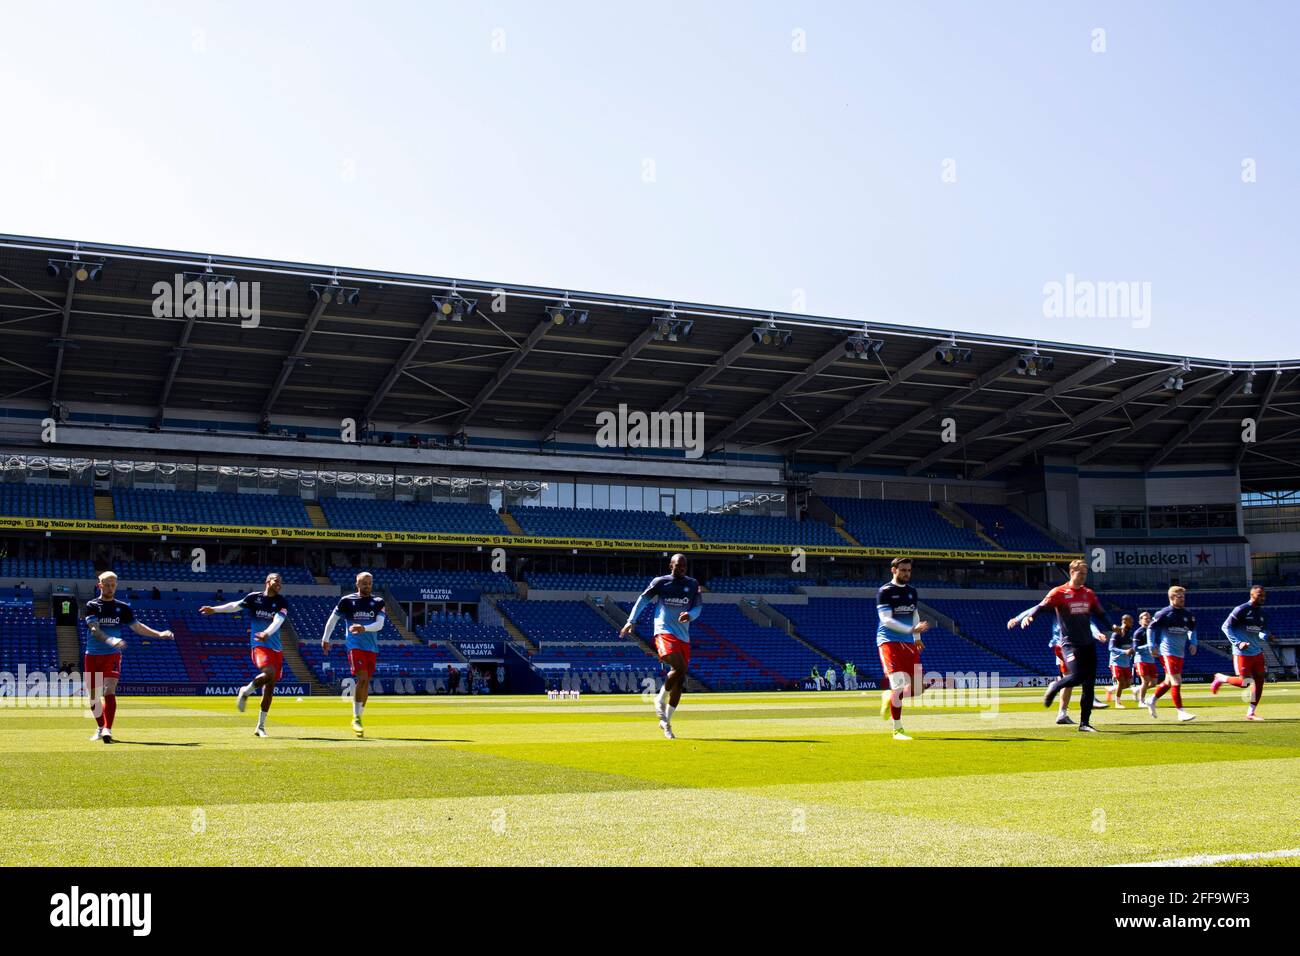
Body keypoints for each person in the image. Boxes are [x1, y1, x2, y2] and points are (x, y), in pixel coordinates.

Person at [1009, 559, 1113, 732]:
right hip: (1063, 644)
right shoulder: (1060, 595)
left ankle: (1072, 716)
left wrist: (1097, 632)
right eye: (1081, 574)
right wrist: (1020, 618)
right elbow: (1038, 607)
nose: (1083, 577)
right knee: (1074, 676)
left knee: (1079, 680)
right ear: (1072, 573)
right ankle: (1060, 699)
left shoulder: (1086, 595)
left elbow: (1087, 619)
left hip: (1084, 642)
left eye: (1085, 574)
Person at [83, 571, 175, 743]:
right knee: (94, 697)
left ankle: (107, 730)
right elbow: (94, 630)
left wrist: (160, 634)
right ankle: (100, 726)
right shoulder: (92, 605)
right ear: (99, 585)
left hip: (112, 655)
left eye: (113, 585)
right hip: (93, 655)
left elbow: (138, 627)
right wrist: (111, 639)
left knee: (109, 690)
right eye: (106, 584)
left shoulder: (123, 607)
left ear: (116, 585)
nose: (110, 588)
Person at [621, 553, 701, 739]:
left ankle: (666, 722)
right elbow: (643, 600)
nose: (680, 568)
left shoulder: (693, 584)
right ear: (670, 566)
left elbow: (698, 607)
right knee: (679, 667)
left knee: (679, 681)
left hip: (683, 636)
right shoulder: (660, 582)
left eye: (683, 566)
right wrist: (631, 620)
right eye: (677, 565)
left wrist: (690, 615)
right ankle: (659, 698)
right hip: (663, 631)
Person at [200, 571, 289, 737]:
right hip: (259, 645)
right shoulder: (254, 598)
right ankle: (245, 691)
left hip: (276, 649)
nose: (279, 584)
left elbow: (278, 620)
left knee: (269, 689)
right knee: (269, 673)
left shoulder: (281, 602)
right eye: (276, 580)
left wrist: (267, 632)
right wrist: (215, 609)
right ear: (267, 581)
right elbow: (234, 606)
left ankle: (260, 727)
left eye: (280, 582)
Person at [321, 571, 386, 737]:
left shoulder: (378, 602)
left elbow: (380, 625)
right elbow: (333, 619)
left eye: (370, 583)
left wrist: (364, 628)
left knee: (365, 682)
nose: (367, 585)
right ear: (357, 583)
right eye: (364, 583)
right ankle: (356, 718)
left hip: (371, 648)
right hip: (354, 646)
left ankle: (359, 717)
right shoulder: (347, 601)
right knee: (362, 678)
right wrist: (325, 638)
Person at [876, 556, 931, 741]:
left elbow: (914, 613)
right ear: (894, 570)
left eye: (909, 570)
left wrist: (916, 637)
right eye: (903, 570)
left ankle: (889, 697)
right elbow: (886, 620)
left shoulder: (912, 591)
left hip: (908, 643)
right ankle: (897, 729)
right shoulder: (885, 591)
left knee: (918, 689)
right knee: (898, 685)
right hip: (888, 642)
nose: (907, 573)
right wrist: (910, 630)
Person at [1211, 585, 1272, 720]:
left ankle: (1251, 712)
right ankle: (1221, 678)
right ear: (1252, 595)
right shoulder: (1241, 610)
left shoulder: (1262, 614)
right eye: (1259, 595)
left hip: (1257, 652)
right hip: (1242, 653)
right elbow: (1225, 626)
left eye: (1264, 595)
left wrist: (1267, 636)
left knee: (1259, 681)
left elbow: (1260, 632)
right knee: (1245, 682)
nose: (1262, 598)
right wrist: (1238, 643)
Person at [1144, 586, 1198, 722]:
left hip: (1180, 653)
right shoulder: (1164, 613)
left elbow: (1193, 629)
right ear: (1172, 598)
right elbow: (1151, 628)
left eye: (1183, 597)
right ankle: (1181, 712)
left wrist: (1193, 642)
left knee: (1168, 682)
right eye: (1179, 597)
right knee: (1176, 680)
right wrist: (1151, 645)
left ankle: (1151, 700)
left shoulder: (1188, 615)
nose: (1182, 599)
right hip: (1167, 652)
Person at [1104, 614, 1138, 707]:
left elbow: (1131, 646)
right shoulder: (1116, 633)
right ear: (1124, 621)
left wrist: (1132, 650)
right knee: (1121, 682)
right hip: (1116, 661)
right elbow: (1111, 648)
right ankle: (1117, 703)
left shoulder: (1130, 633)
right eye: (1130, 621)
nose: (1132, 623)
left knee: (1128, 684)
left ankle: (1111, 689)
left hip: (1126, 662)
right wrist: (1124, 651)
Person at [1131, 611, 1160, 706]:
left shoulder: (1152, 631)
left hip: (1151, 659)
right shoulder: (1138, 632)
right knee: (1146, 681)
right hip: (1141, 660)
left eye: (1149, 618)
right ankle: (1141, 701)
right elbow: (1135, 648)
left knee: (1154, 683)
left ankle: (1137, 689)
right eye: (1145, 618)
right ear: (1140, 620)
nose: (1148, 620)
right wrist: (1148, 646)